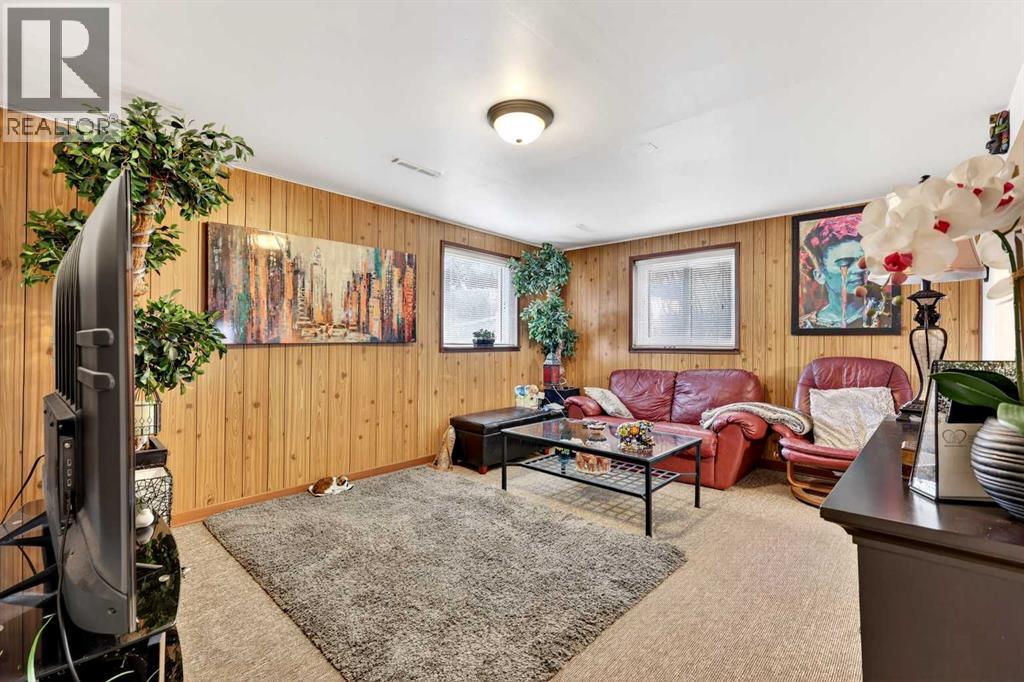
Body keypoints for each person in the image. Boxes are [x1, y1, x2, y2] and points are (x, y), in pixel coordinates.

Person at [799, 214, 886, 329]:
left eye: (862, 261)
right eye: (845, 264)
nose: (858, 269)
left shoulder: (884, 312)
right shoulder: (805, 326)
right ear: (820, 275)